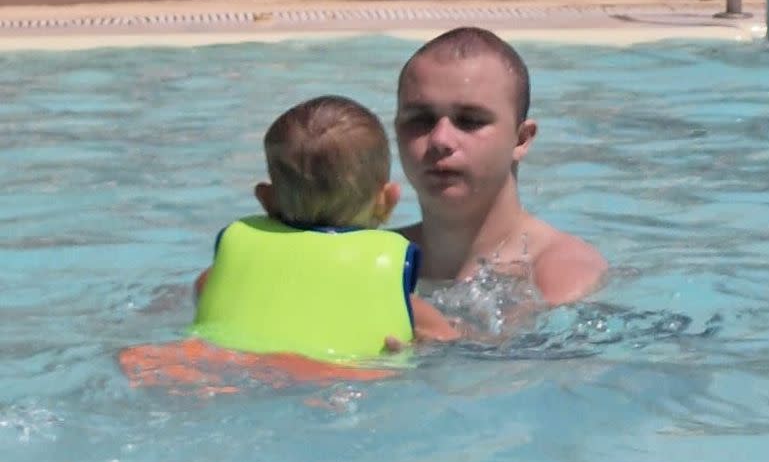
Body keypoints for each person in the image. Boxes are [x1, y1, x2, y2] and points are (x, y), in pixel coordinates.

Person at [192, 94, 459, 362]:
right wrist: (416, 347)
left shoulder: (219, 274)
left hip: (223, 365)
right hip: (343, 377)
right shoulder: (400, 298)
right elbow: (448, 348)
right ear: (387, 201)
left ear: (266, 199)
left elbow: (205, 296)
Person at [394, 27, 607, 307]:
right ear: (397, 131)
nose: (440, 140)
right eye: (421, 120)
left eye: (469, 120)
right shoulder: (366, 258)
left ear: (521, 140)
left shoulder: (561, 276)